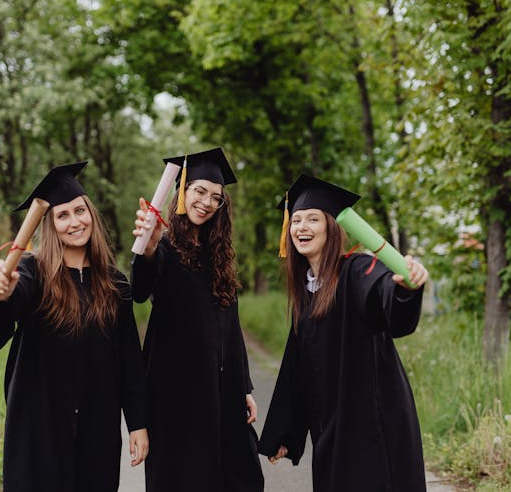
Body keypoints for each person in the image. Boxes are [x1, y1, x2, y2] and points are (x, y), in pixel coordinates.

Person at [258, 174, 429, 491]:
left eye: (313, 219)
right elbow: (297, 367)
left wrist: (406, 290)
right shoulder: (307, 290)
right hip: (332, 427)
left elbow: (388, 304)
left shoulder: (358, 269)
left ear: (331, 227)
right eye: (296, 220)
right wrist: (285, 432)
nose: (302, 228)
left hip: (371, 423)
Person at [0, 162, 148, 491]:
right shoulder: (33, 273)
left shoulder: (114, 283)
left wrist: (138, 424)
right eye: (63, 215)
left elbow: (128, 358)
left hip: (97, 425)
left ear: (92, 214)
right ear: (51, 225)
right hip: (40, 426)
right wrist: (2, 296)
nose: (74, 222)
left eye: (80, 211)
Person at [131, 148, 264, 492]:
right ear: (183, 192)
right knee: (183, 476)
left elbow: (231, 328)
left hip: (220, 390)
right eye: (199, 191)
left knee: (237, 474)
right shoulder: (163, 247)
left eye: (215, 198)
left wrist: (243, 386)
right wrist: (147, 247)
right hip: (175, 393)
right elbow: (140, 290)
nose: (206, 202)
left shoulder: (218, 256)